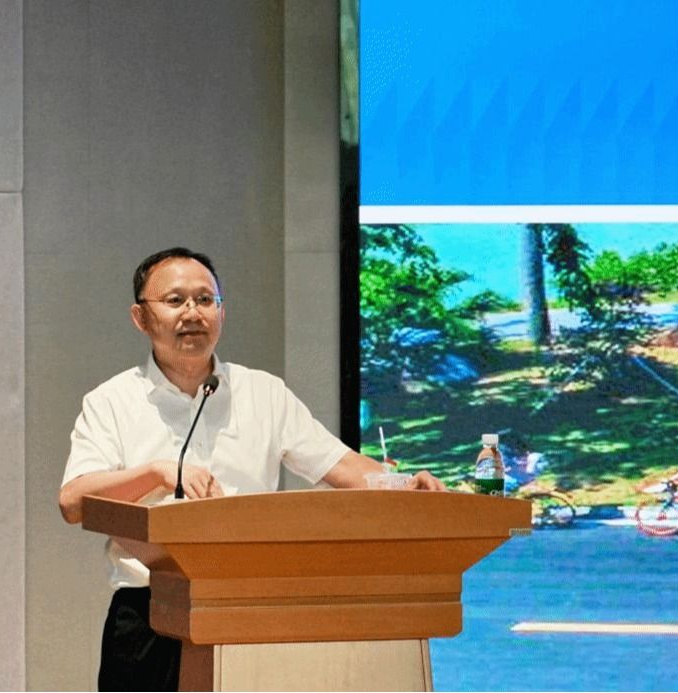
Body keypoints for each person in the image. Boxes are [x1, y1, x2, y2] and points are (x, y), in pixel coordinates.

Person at [58, 247, 446, 691]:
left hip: (249, 609)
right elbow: (73, 502)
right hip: (149, 613)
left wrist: (403, 485)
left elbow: (339, 465)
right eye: (175, 300)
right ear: (140, 317)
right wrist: (157, 474)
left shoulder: (263, 393)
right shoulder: (111, 401)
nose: (193, 313)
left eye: (206, 300)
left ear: (222, 313)